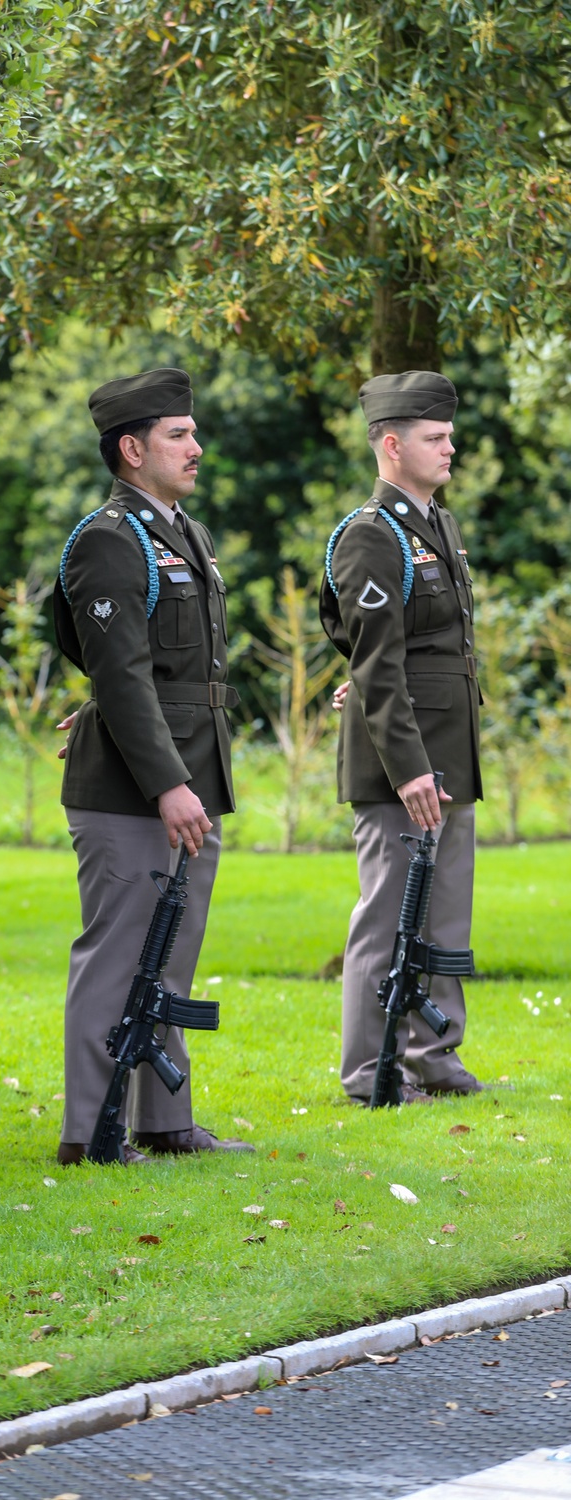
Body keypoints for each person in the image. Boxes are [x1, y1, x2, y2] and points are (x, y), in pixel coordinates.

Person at [52, 366, 252, 1164]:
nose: (196, 447)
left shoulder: (185, 532)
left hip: (187, 772)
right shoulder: (109, 537)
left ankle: (166, 1122)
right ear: (132, 449)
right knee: (120, 956)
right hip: (135, 789)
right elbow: (120, 668)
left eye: (192, 432)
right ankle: (89, 1134)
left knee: (173, 950)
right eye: (179, 435)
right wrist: (166, 780)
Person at [319, 370, 484, 1105]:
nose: (452, 447)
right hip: (400, 761)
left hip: (450, 748)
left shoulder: (438, 524)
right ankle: (367, 1071)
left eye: (450, 435)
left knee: (445, 913)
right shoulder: (370, 534)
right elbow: (372, 656)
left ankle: (433, 1053)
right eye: (436, 437)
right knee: (386, 918)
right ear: (392, 443)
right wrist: (410, 767)